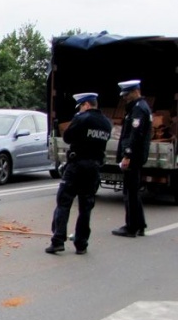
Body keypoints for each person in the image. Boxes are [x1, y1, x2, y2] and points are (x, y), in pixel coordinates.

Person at [45, 92, 113, 254]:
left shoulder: (82, 118)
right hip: (94, 168)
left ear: (86, 104)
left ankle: (58, 240)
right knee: (86, 207)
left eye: (80, 106)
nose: (80, 109)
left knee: (64, 202)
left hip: (77, 166)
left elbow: (67, 137)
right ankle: (82, 244)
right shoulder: (106, 123)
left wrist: (77, 121)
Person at [111, 79, 152, 238]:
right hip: (136, 155)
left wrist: (127, 155)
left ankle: (131, 227)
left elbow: (135, 135)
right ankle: (139, 224)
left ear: (136, 92)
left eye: (127, 95)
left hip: (133, 156)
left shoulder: (138, 109)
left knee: (130, 192)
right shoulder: (140, 107)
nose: (125, 98)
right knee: (133, 191)